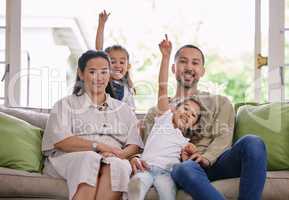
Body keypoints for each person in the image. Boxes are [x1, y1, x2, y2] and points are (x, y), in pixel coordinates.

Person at [130, 43, 267, 200]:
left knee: (253, 142)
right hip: (181, 169)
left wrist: (206, 157)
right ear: (174, 68)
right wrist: (133, 158)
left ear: (202, 71)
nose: (189, 67)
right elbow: (152, 148)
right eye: (183, 61)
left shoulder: (220, 102)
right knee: (186, 168)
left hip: (217, 164)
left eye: (195, 63)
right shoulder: (158, 112)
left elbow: (224, 138)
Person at [42, 50, 144, 200]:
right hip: (73, 157)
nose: (99, 77)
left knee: (119, 165)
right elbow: (61, 141)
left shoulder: (124, 109)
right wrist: (100, 147)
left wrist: (120, 154)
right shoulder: (65, 105)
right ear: (81, 74)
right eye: (92, 72)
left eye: (104, 72)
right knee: (90, 159)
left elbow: (134, 144)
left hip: (113, 157)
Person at [128, 35, 201, 200]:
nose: (188, 114)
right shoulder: (164, 118)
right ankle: (135, 190)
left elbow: (193, 153)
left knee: (168, 192)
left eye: (193, 115)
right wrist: (166, 57)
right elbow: (162, 87)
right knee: (140, 181)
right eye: (186, 108)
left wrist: (192, 151)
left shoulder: (184, 140)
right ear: (173, 109)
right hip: (145, 167)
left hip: (166, 173)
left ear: (192, 125)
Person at [95, 10, 135, 110]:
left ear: (128, 66)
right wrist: (101, 25)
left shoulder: (127, 88)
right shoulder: (103, 82)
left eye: (122, 62)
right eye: (112, 62)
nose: (117, 65)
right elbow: (99, 51)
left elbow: (131, 111)